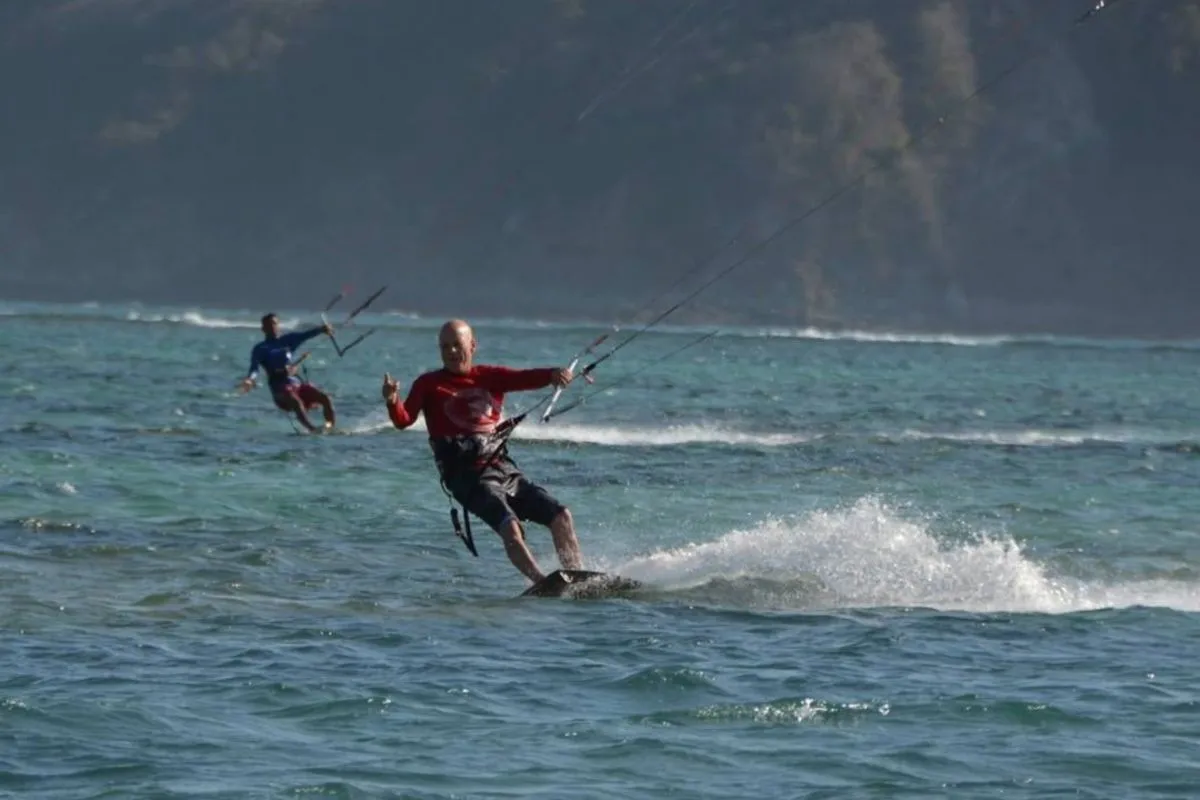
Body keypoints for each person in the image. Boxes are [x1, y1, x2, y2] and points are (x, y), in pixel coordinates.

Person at [381, 319, 581, 584]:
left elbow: (524, 377)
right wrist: (393, 401)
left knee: (561, 516)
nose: (451, 352)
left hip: (503, 468)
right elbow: (403, 420)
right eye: (445, 347)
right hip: (466, 477)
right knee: (510, 527)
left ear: (472, 345)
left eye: (457, 345)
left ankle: (579, 577)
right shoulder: (428, 384)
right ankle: (541, 583)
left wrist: (552, 374)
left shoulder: (489, 376)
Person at [239, 313, 337, 432]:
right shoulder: (260, 348)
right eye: (268, 325)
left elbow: (306, 335)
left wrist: (322, 329)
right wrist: (250, 379)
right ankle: (312, 429)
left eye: (274, 324)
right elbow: (254, 368)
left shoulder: (288, 340)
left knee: (325, 398)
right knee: (294, 400)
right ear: (263, 329)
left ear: (278, 326)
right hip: (280, 389)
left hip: (296, 384)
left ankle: (330, 428)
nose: (272, 327)